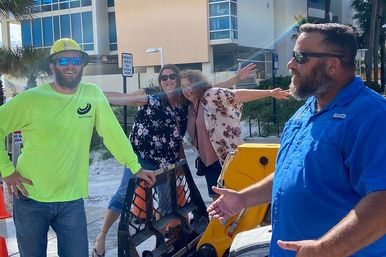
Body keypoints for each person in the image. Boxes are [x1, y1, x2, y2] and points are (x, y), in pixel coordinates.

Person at [207, 23, 386, 257]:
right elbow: (290, 172)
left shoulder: (372, 116)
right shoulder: (307, 110)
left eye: (300, 57)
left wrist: (326, 249)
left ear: (333, 65)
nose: (291, 65)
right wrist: (243, 199)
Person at [0, 38, 156, 257]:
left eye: (75, 60)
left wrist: (135, 167)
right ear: (52, 66)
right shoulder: (31, 99)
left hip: (71, 200)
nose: (70, 65)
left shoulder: (92, 94)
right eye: (62, 60)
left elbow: (112, 134)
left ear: (83, 64)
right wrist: (7, 170)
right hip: (30, 199)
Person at [93, 63, 257, 256]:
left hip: (167, 161)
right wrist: (91, 94)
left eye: (172, 77)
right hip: (141, 158)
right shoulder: (151, 96)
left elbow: (206, 87)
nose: (168, 80)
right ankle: (101, 236)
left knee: (167, 204)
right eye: (164, 77)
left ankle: (168, 244)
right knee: (123, 195)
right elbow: (123, 98)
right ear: (160, 81)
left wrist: (236, 79)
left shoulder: (182, 102)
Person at [180, 70, 289, 199]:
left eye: (189, 85)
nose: (186, 90)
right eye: (182, 87)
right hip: (208, 164)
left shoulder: (210, 96)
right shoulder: (188, 107)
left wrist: (269, 92)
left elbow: (236, 95)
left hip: (227, 158)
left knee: (238, 201)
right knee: (218, 204)